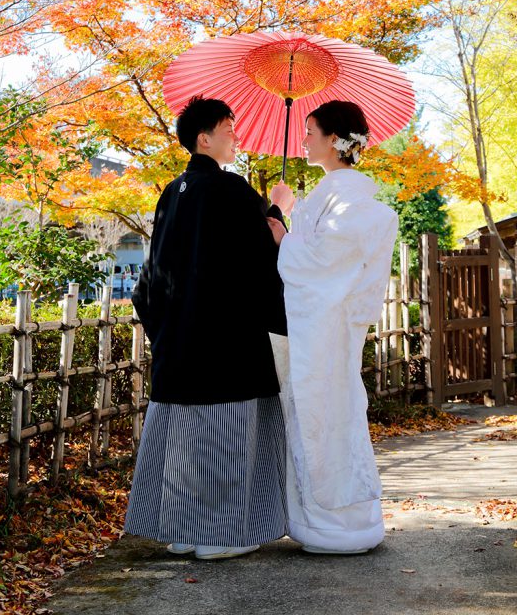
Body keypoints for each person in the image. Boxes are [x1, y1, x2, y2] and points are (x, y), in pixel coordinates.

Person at [125, 96, 288, 560]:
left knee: (185, 442)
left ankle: (185, 530)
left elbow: (149, 280)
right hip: (225, 344)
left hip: (179, 346)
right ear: (204, 138)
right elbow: (262, 258)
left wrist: (166, 334)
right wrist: (276, 211)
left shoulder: (170, 193)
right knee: (225, 436)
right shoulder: (231, 191)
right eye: (229, 128)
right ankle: (217, 535)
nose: (237, 135)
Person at [268, 99, 399, 555]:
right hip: (317, 327)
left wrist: (283, 237)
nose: (303, 139)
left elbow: (325, 260)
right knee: (315, 414)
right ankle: (319, 520)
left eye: (310, 131)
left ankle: (340, 524)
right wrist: (287, 210)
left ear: (335, 140)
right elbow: (321, 247)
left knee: (329, 413)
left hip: (328, 330)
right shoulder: (335, 195)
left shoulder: (353, 201)